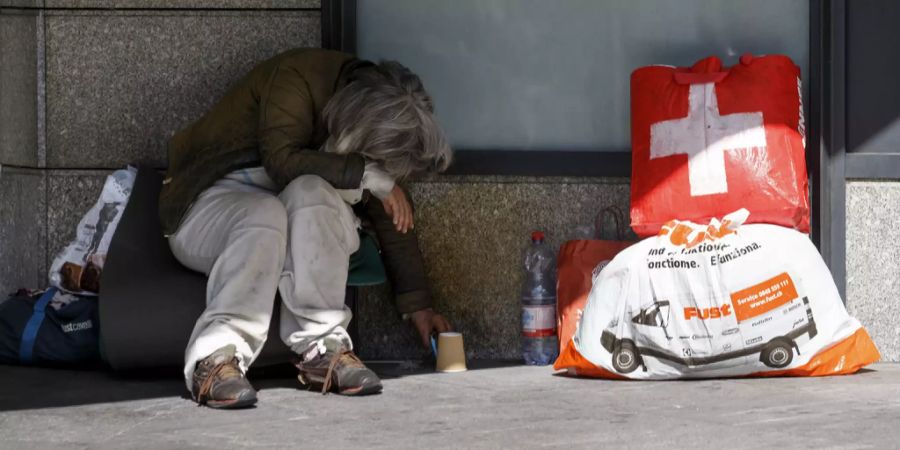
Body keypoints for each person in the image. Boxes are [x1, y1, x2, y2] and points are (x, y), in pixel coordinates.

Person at [158, 48, 454, 409]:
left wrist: (418, 304)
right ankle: (216, 357)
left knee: (312, 191)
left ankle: (323, 349)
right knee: (264, 213)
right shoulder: (295, 78)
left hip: (287, 219)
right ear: (356, 130)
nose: (376, 172)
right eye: (372, 161)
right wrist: (365, 174)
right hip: (207, 210)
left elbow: (392, 212)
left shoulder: (369, 122)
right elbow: (282, 161)